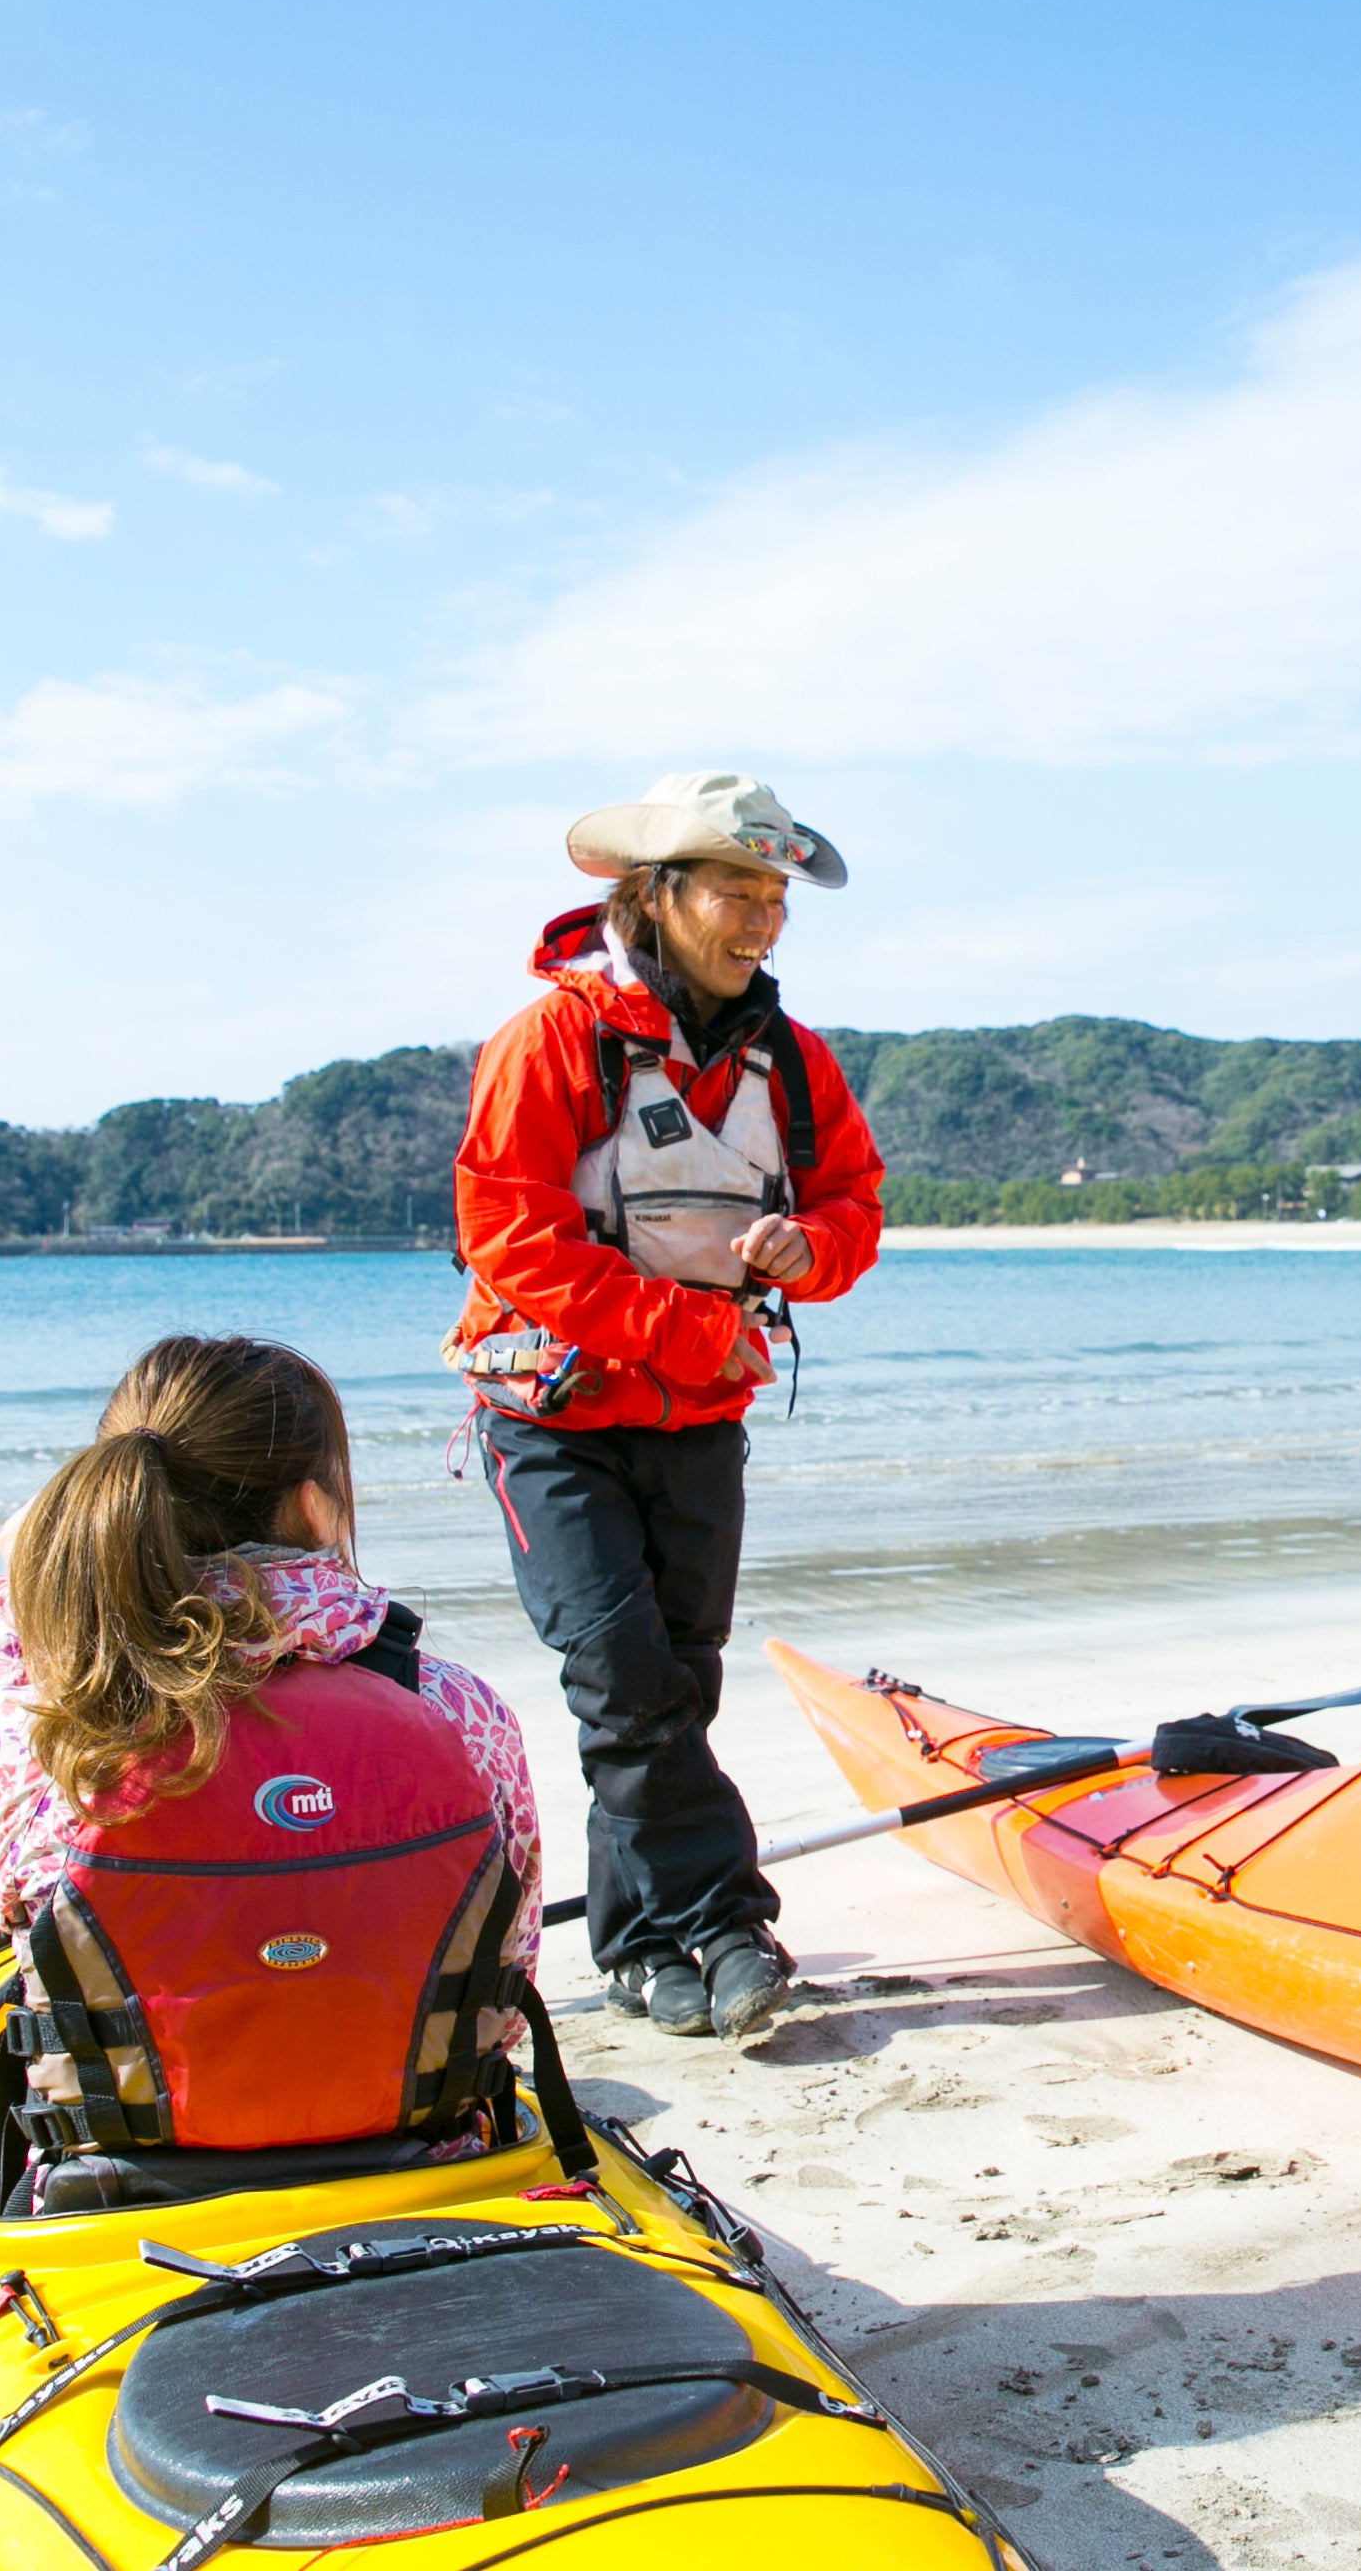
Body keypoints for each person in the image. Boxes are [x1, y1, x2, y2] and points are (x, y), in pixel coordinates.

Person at [0, 1336, 542, 2171]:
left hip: (131, 2185)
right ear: (318, 1509)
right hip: (425, 2149)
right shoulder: (458, 1711)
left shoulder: (51, 1735)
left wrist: (20, 1605)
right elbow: (508, 1962)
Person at [446, 770, 886, 2041]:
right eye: (735, 890)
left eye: (775, 894)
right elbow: (506, 1237)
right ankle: (729, 1918)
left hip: (700, 1417)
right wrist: (693, 1327)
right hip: (551, 1415)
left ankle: (641, 1942)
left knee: (670, 1680)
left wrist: (818, 1250)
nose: (761, 916)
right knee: (621, 1674)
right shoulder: (549, 1040)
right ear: (655, 892)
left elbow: (854, 1203)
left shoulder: (794, 1061)